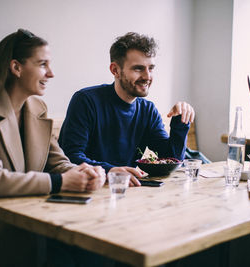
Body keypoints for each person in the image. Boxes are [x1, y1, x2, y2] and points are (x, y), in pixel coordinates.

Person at [0, 29, 106, 267]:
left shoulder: (37, 107)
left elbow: (58, 162)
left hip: (28, 216)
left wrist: (86, 172)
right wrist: (61, 182)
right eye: (42, 64)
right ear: (16, 68)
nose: (51, 73)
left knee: (92, 254)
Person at [59, 32, 195, 186]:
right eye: (138, 69)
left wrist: (181, 121)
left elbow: (169, 160)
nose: (147, 76)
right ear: (115, 70)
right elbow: (71, 157)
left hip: (126, 191)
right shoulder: (86, 100)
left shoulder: (147, 111)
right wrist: (111, 171)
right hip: (88, 190)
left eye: (151, 68)